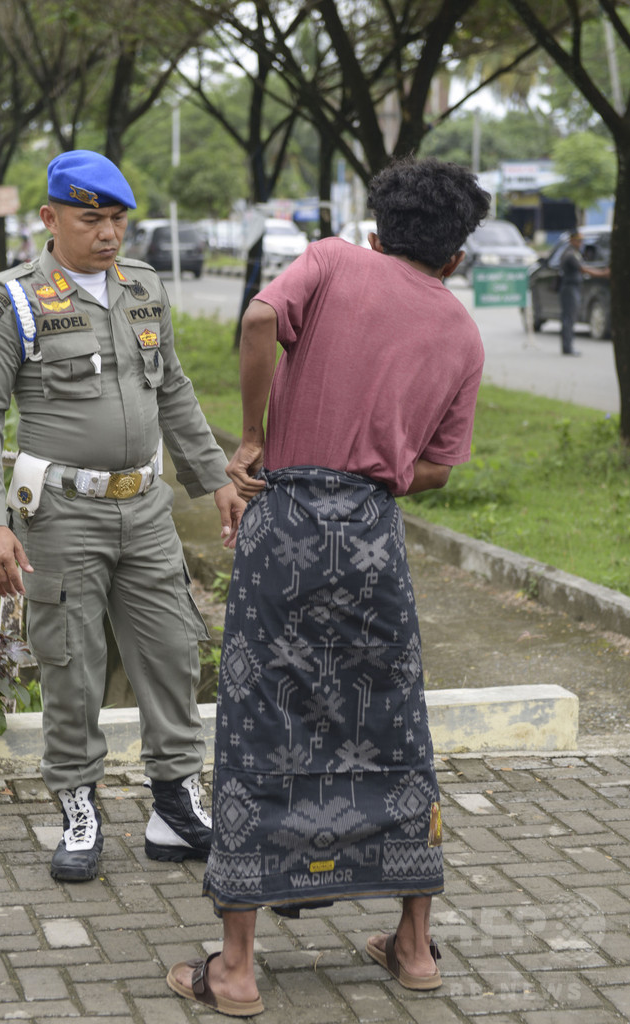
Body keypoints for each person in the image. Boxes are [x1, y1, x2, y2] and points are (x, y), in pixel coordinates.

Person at [166, 156, 491, 1017]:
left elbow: (261, 317)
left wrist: (251, 439)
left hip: (286, 520)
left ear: (378, 230)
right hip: (374, 537)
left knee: (258, 717)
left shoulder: (334, 260)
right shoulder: (462, 333)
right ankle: (413, 948)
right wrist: (373, 473)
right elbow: (434, 473)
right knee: (390, 721)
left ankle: (235, 971)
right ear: (455, 256)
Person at [0, 150, 245, 883]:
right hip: (60, 515)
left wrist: (213, 477)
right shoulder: (13, 298)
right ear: (50, 219)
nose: (109, 234)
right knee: (71, 665)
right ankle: (78, 808)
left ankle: (175, 804)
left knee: (173, 653)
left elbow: (172, 388)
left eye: (118, 219)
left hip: (145, 508)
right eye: (92, 219)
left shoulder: (143, 287)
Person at [558, 230, 610, 356]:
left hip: (573, 287)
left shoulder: (575, 253)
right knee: (569, 318)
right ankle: (567, 347)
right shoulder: (570, 254)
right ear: (572, 240)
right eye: (578, 240)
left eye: (582, 241)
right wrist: (603, 274)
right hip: (569, 288)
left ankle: (568, 346)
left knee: (570, 317)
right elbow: (583, 269)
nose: (581, 243)